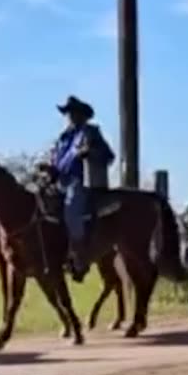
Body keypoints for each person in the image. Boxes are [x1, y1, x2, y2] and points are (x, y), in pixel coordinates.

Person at [42, 95, 117, 282]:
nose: (70, 117)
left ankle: (79, 254)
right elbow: (57, 163)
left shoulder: (91, 133)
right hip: (60, 181)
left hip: (82, 181)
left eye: (74, 113)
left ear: (83, 115)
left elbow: (109, 156)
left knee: (71, 209)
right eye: (68, 113)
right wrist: (49, 169)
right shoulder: (62, 138)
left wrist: (90, 152)